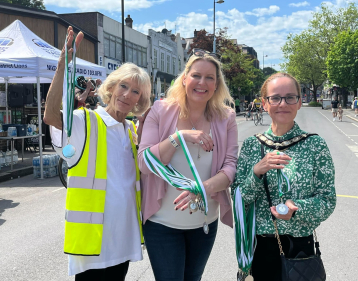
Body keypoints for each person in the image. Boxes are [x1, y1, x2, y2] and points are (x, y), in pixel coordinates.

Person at [44, 26, 151, 280]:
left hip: (122, 238)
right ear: (112, 87)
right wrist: (63, 66)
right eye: (123, 86)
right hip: (93, 244)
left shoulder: (131, 131)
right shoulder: (86, 121)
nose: (127, 95)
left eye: (135, 91)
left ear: (140, 100)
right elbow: (50, 116)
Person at [137, 48, 238, 281]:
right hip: (162, 223)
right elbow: (144, 162)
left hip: (204, 223)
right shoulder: (160, 111)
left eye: (209, 78)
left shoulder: (226, 118)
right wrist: (179, 137)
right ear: (184, 79)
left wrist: (200, 189)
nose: (202, 82)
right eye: (196, 75)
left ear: (216, 84)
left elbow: (230, 167)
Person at [231, 72, 336, 280]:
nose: (283, 104)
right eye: (275, 98)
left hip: (300, 248)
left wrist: (297, 210)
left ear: (299, 102)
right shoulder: (252, 145)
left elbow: (328, 200)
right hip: (259, 248)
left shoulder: (315, 145)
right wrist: (256, 172)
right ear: (264, 103)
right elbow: (238, 200)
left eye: (290, 97)